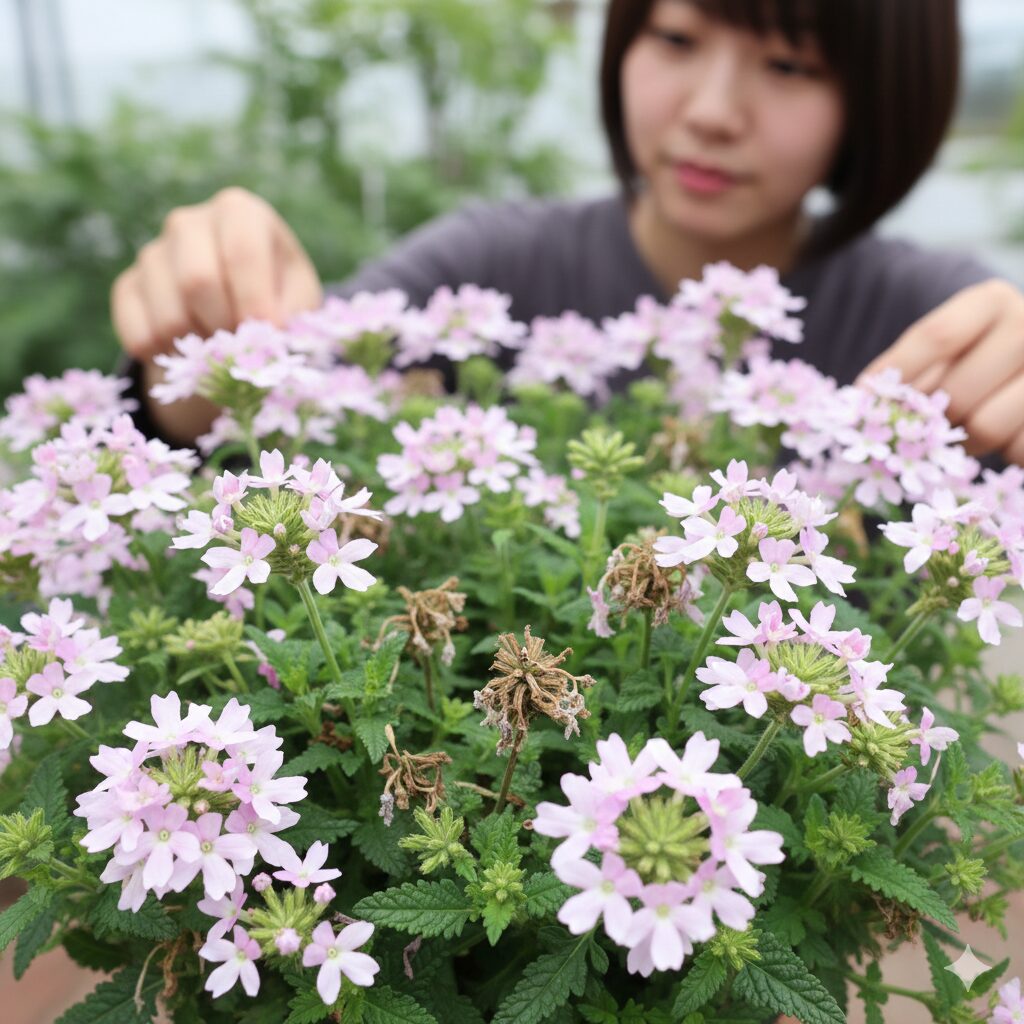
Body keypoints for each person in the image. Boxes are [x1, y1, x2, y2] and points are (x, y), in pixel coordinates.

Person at [112, 0, 1024, 466]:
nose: (712, 113)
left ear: (879, 99)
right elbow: (248, 395)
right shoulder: (490, 266)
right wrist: (191, 352)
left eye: (789, 64)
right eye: (676, 38)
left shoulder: (930, 320)